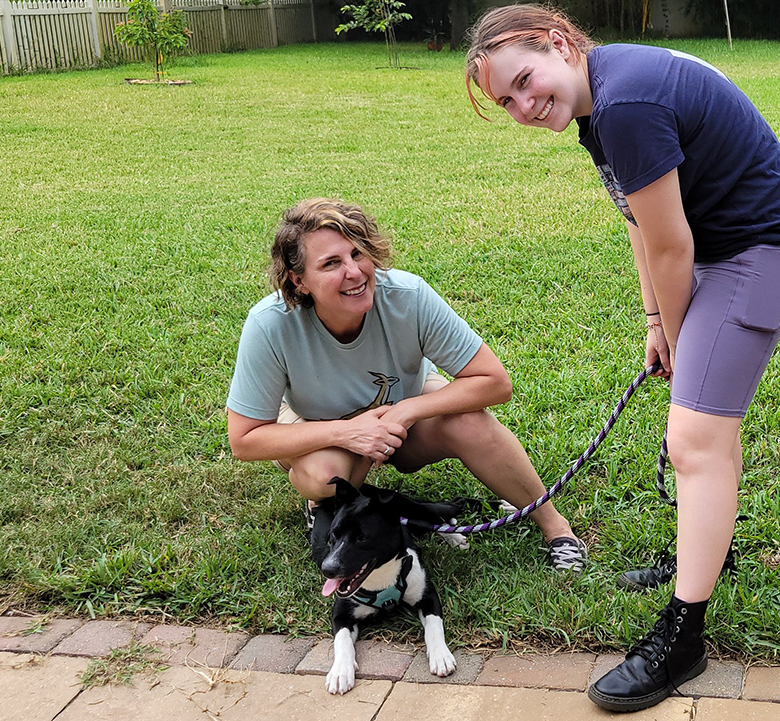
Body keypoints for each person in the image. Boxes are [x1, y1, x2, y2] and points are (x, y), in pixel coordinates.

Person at [465, 6, 780, 711]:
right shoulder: (597, 99)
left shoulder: (623, 102)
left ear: (561, 43)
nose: (523, 107)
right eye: (506, 101)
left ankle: (683, 638)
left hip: (761, 252)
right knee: (703, 436)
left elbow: (672, 247)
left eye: (525, 81)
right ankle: (700, 554)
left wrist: (685, 345)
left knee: (694, 438)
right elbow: (642, 219)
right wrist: (656, 319)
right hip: (721, 252)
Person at [226, 197, 587, 572]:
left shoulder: (407, 296)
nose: (354, 272)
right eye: (331, 263)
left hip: (404, 407)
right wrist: (351, 433)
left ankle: (556, 528)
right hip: (316, 424)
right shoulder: (269, 323)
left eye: (357, 253)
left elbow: (495, 382)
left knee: (470, 419)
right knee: (322, 476)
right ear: (298, 281)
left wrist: (405, 410)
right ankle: (325, 502)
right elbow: (245, 439)